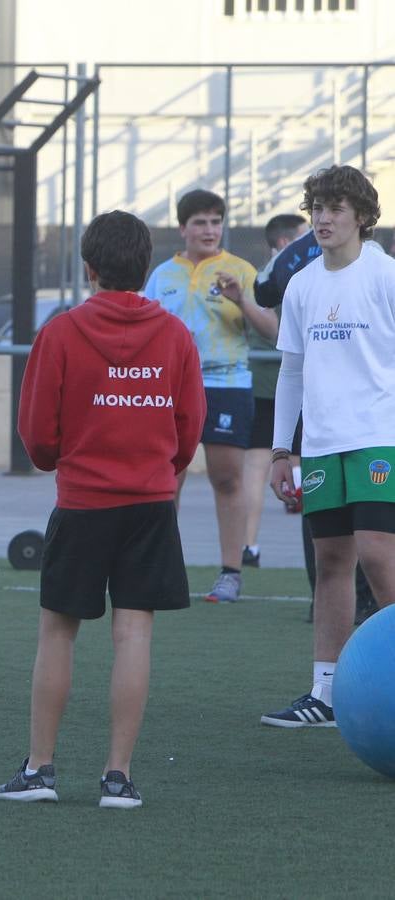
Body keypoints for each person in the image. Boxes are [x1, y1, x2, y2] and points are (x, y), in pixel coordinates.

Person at [0, 210, 205, 809]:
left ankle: (40, 770)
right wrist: (158, 469)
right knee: (134, 632)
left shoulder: (61, 332)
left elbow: (36, 434)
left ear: (88, 268)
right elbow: (187, 430)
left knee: (57, 631)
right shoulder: (174, 335)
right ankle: (118, 776)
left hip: (83, 502)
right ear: (147, 267)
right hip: (149, 503)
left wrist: (64, 458)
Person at [262, 165, 395, 728]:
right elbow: (291, 372)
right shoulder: (302, 285)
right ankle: (327, 692)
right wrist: (279, 451)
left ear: (363, 217)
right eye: (317, 206)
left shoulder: (386, 276)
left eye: (336, 207)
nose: (323, 217)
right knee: (332, 561)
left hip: (378, 438)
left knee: (378, 555)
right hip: (319, 445)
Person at [143, 189, 259, 603]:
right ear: (183, 229)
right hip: (171, 388)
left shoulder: (241, 270)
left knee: (226, 478)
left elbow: (274, 329)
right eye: (200, 222)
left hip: (226, 384)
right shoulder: (162, 275)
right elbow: (142, 328)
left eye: (215, 221)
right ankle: (161, 569)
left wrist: (242, 300)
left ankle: (231, 573)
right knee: (165, 477)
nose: (210, 230)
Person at [239, 214, 308, 568]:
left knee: (264, 465)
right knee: (278, 465)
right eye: (302, 236)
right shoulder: (286, 275)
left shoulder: (256, 276)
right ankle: (254, 546)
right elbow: (272, 329)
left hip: (271, 381)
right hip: (279, 382)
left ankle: (249, 546)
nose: (310, 240)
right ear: (285, 244)